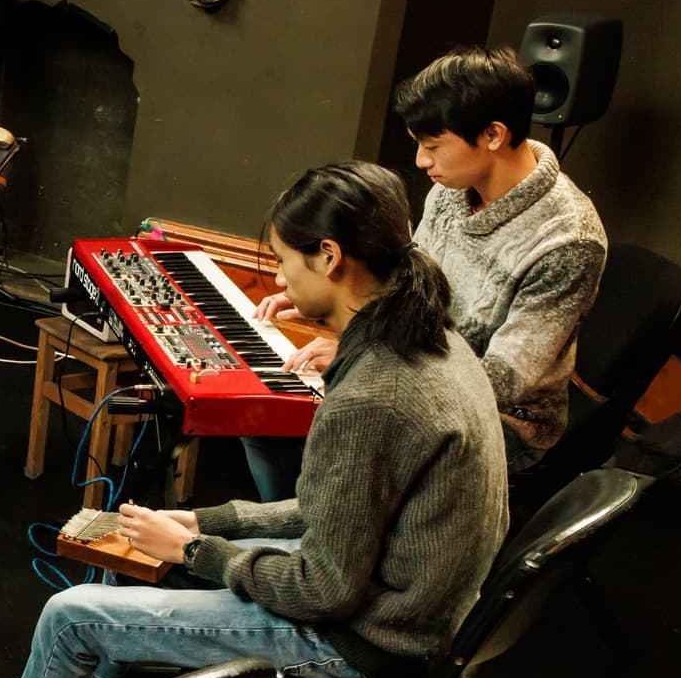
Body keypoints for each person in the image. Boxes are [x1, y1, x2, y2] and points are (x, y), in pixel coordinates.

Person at [0, 161, 508, 678]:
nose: (281, 284)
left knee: (70, 613)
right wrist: (210, 522)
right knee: (133, 537)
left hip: (365, 640)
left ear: (330, 258)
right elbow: (330, 511)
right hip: (402, 600)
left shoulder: (373, 396)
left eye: (285, 263)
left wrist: (193, 550)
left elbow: (323, 591)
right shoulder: (437, 338)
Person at [243, 48, 606, 500]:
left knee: (326, 430)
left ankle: (316, 549)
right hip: (413, 363)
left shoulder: (568, 240)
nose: (420, 161)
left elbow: (500, 380)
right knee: (262, 417)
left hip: (502, 425)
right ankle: (298, 533)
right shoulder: (454, 188)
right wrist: (321, 293)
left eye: (432, 146)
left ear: (493, 135)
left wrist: (361, 357)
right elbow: (410, 284)